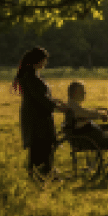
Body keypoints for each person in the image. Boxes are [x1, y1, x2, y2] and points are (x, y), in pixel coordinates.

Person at [12, 47, 67, 179]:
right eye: (44, 60)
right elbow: (40, 99)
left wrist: (57, 102)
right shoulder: (30, 77)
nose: (45, 64)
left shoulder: (32, 75)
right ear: (38, 60)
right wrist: (58, 107)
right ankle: (42, 174)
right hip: (36, 117)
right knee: (40, 145)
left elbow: (43, 97)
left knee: (42, 145)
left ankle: (43, 173)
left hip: (39, 115)